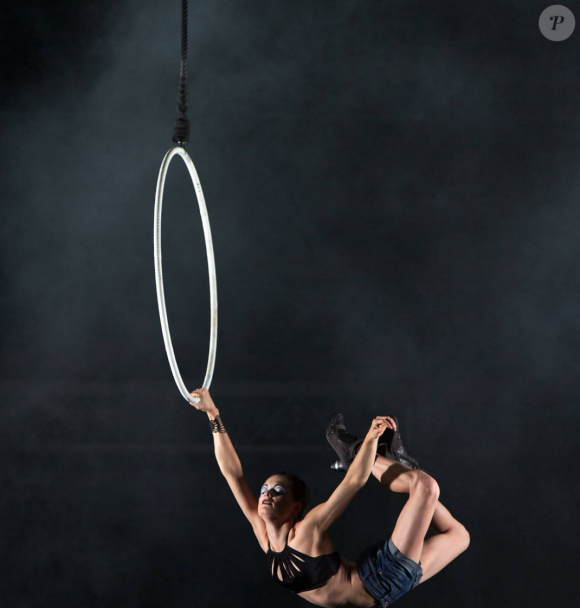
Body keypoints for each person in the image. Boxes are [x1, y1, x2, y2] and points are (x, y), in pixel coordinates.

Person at [191, 387, 469, 608]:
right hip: (385, 591)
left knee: (425, 488)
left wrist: (370, 440)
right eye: (264, 489)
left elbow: (353, 483)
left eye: (277, 491)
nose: (265, 495)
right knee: (460, 536)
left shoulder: (307, 529)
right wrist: (213, 413)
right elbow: (233, 475)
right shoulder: (263, 534)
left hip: (383, 577)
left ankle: (359, 453)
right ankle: (393, 462)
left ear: (296, 507)